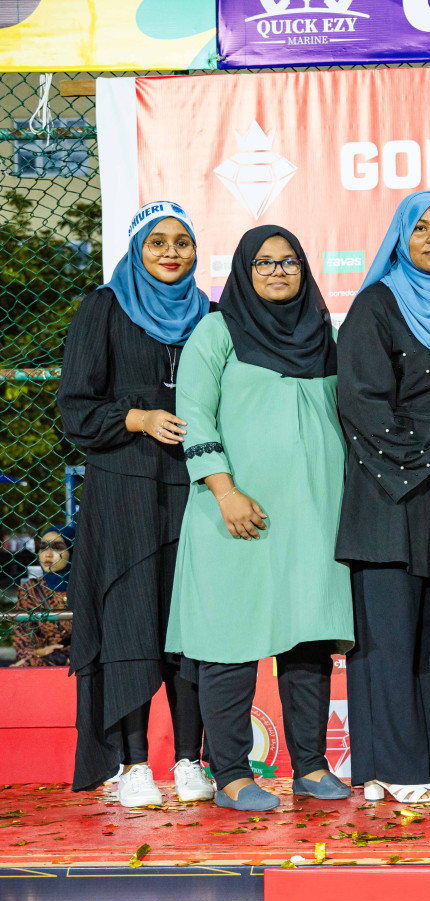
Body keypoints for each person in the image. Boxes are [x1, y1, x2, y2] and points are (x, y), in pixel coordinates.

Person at [167, 225, 354, 811]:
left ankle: (310, 766)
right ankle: (230, 774)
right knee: (231, 642)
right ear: (244, 272)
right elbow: (194, 412)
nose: (278, 271)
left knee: (306, 642)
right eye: (264, 263)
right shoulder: (217, 330)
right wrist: (225, 491)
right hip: (236, 514)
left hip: (313, 515)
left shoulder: (325, 333)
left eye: (289, 261)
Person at [59, 201, 211, 807]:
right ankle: (132, 763)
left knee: (191, 628)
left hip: (196, 490)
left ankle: (191, 760)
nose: (171, 252)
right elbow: (76, 407)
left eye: (182, 241)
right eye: (157, 243)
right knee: (129, 620)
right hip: (124, 492)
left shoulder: (212, 317)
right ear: (136, 251)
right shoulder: (105, 307)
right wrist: (137, 417)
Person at [336, 191, 430, 805]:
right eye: (420, 228)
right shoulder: (377, 304)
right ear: (400, 237)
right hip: (387, 489)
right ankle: (391, 766)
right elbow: (360, 403)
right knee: (390, 635)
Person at [12, 525, 73, 668]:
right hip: (49, 661)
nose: (47, 554)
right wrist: (39, 652)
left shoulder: (89, 588)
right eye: (43, 547)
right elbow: (23, 635)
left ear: (73, 551)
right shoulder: (31, 590)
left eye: (57, 548)